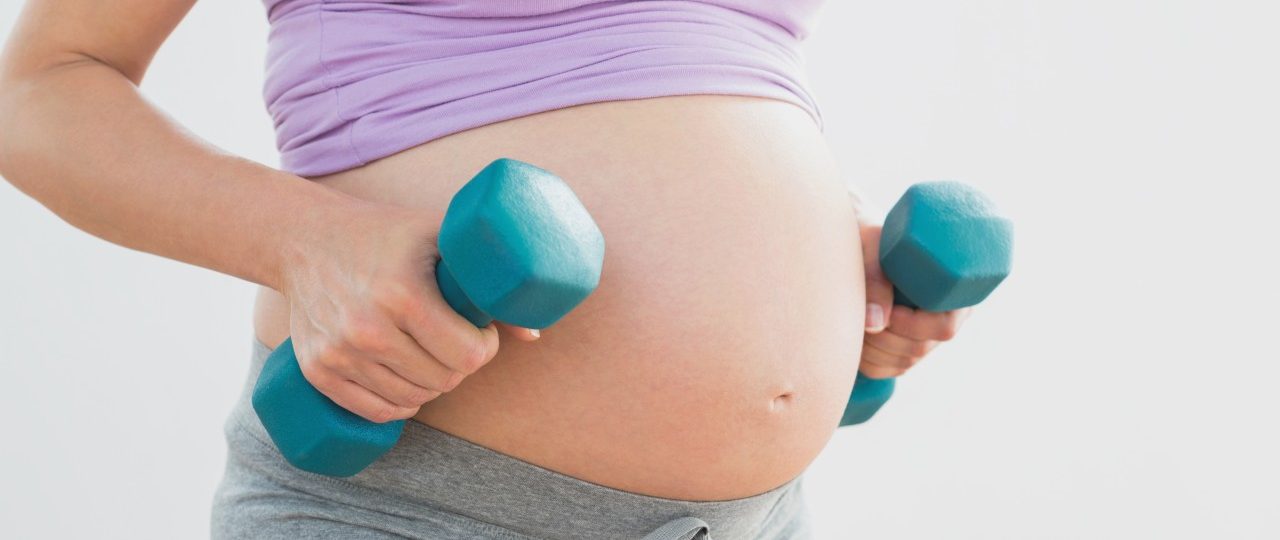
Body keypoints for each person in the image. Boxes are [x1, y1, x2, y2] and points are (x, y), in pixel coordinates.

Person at [0, 1, 970, 538]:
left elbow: (699, 58)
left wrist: (810, 260)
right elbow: (39, 90)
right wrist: (303, 239)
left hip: (753, 520)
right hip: (415, 504)